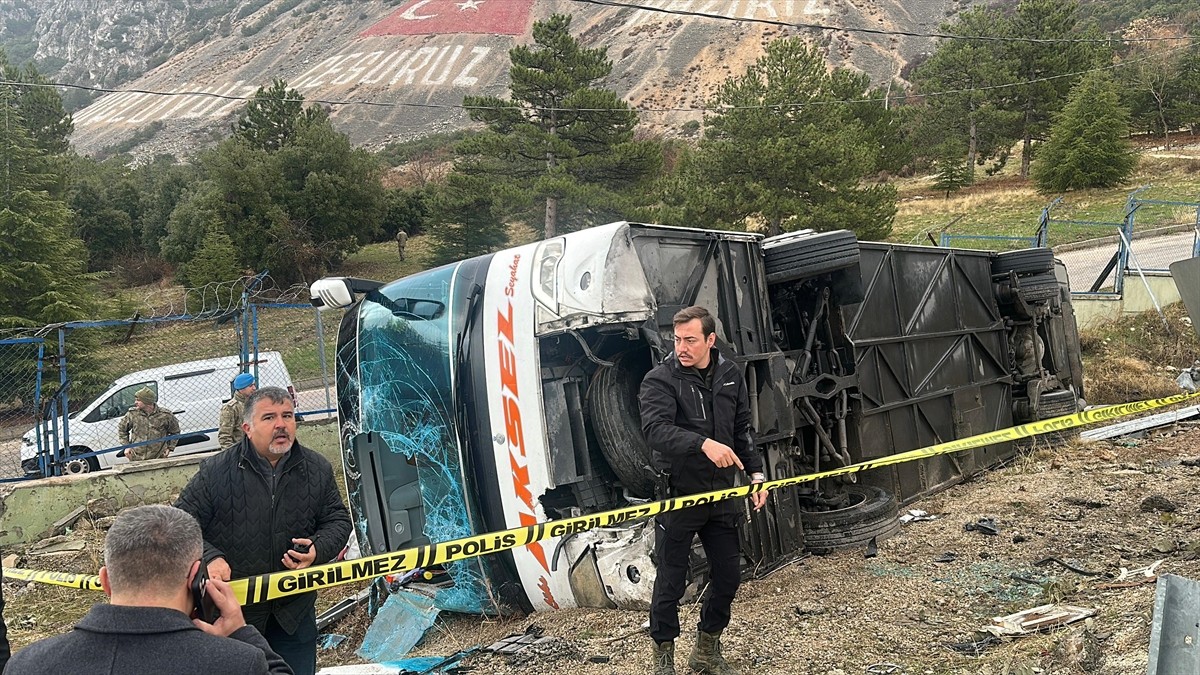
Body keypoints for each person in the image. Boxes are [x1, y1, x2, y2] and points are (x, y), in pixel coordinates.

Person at [176, 386, 351, 675]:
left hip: (294, 613)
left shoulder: (316, 468)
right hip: (233, 616)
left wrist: (318, 549)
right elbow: (181, 523)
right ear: (247, 427)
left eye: (287, 415)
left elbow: (338, 520)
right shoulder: (216, 472)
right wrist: (210, 557)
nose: (281, 424)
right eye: (269, 417)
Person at [4, 505, 292, 675]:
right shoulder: (237, 664)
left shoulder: (27, 666)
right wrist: (241, 631)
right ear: (197, 578)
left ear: (105, 581)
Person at [638, 305, 768, 675]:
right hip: (679, 493)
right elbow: (655, 431)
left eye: (690, 340)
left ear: (710, 340)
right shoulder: (659, 380)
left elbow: (742, 428)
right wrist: (702, 444)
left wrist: (756, 475)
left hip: (722, 494)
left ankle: (707, 649)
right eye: (678, 339)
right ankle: (664, 657)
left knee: (729, 575)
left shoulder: (730, 374)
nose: (682, 346)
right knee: (671, 579)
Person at [117, 386, 180, 461]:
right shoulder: (133, 414)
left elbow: (175, 432)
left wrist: (170, 448)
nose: (135, 403)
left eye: (138, 400)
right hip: (136, 458)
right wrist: (127, 446)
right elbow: (122, 429)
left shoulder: (165, 415)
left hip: (158, 457)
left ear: (147, 402)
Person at [218, 372, 257, 448]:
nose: (254, 388)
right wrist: (231, 456)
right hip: (240, 450)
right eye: (250, 386)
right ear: (242, 388)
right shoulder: (231, 408)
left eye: (254, 385)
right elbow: (225, 436)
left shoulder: (255, 404)